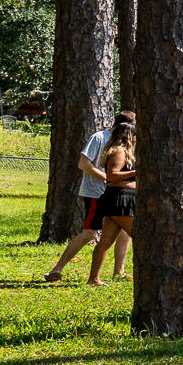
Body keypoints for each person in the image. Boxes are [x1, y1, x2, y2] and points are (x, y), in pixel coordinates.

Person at [43, 109, 130, 283]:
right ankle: (56, 269)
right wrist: (107, 178)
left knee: (123, 231)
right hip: (95, 193)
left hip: (114, 194)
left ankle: (119, 272)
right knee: (90, 233)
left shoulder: (123, 144)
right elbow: (83, 163)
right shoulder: (99, 138)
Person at [86, 120, 138, 283]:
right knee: (141, 237)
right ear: (128, 136)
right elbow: (112, 175)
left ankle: (93, 278)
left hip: (120, 198)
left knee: (105, 242)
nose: (137, 139)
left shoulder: (125, 152)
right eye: (135, 136)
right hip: (120, 200)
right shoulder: (119, 152)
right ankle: (146, 276)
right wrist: (137, 172)